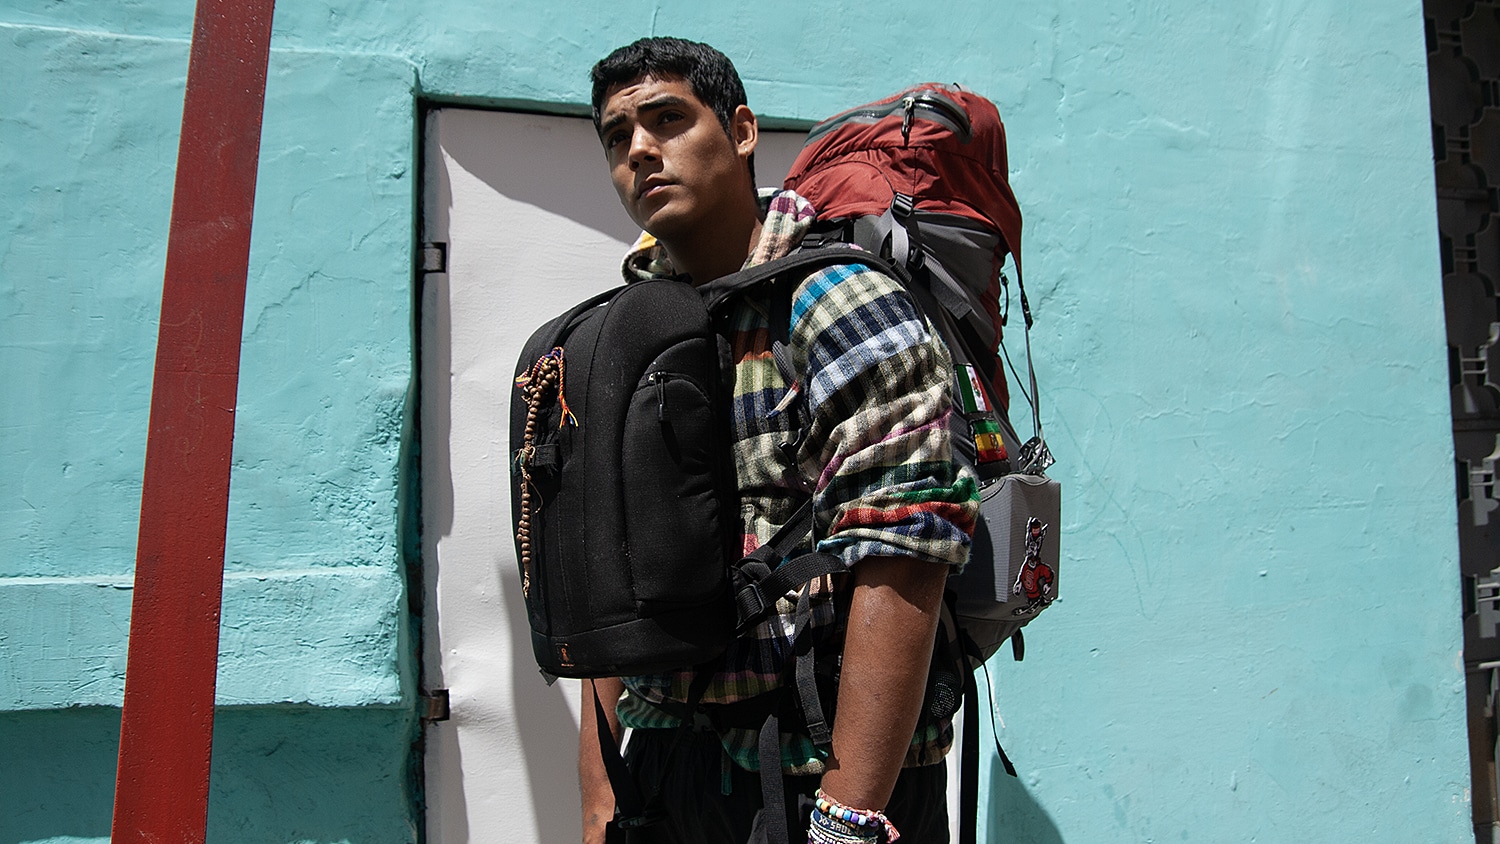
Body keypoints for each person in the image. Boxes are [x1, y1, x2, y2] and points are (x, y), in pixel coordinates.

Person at [580, 37, 979, 844]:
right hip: (663, 771)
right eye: (617, 136)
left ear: (741, 129)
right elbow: (607, 585)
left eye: (666, 119)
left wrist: (849, 818)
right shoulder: (622, 334)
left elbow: (907, 549)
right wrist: (600, 797)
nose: (640, 152)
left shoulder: (839, 302)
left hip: (820, 778)